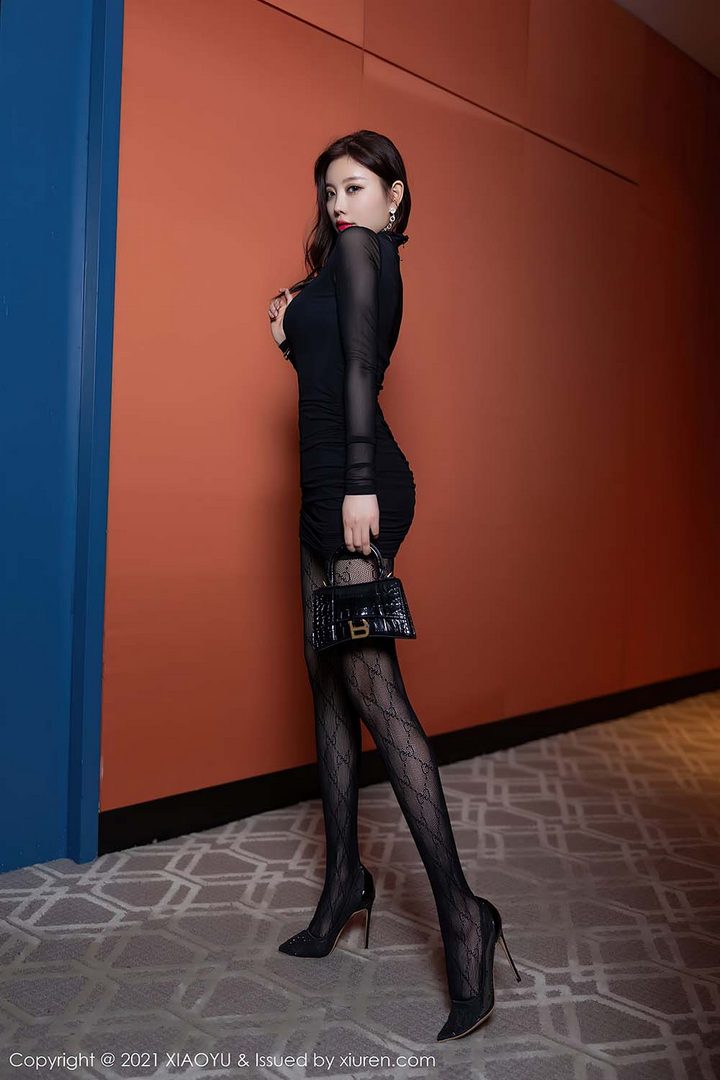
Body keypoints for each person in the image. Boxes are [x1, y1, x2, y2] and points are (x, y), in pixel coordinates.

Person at [266, 130, 521, 1042]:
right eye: (330, 191)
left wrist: (361, 485)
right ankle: (344, 882)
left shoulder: (365, 253)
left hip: (355, 492)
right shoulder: (343, 267)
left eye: (356, 186)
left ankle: (464, 916)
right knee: (329, 687)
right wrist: (290, 325)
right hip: (320, 493)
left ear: (395, 195)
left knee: (376, 694)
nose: (340, 203)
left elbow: (361, 374)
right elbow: (330, 362)